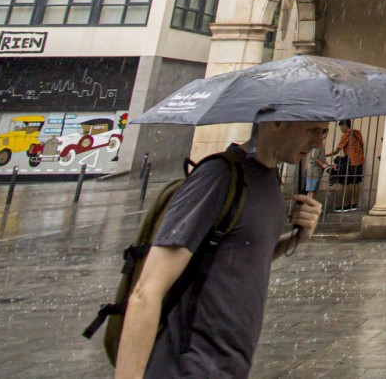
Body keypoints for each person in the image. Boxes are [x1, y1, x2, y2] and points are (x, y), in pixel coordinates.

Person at [112, 120, 327, 379]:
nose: (319, 141)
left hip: (230, 365)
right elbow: (147, 290)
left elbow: (243, 258)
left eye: (324, 131)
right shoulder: (217, 176)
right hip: (187, 365)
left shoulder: (269, 179)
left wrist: (296, 238)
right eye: (312, 130)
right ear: (277, 122)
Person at [325, 119, 365, 213]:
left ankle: (346, 205)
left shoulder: (346, 135)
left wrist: (325, 155)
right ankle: (354, 204)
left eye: (340, 127)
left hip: (351, 161)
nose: (341, 129)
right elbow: (362, 145)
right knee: (356, 182)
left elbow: (337, 151)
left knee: (345, 183)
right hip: (359, 160)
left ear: (345, 125)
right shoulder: (357, 132)